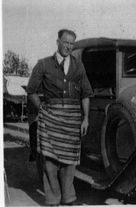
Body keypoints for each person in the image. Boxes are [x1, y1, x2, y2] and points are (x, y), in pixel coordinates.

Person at [26, 29, 93, 206]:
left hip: (72, 120)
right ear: (57, 42)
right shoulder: (43, 64)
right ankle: (53, 201)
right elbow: (31, 90)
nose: (68, 46)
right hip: (49, 118)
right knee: (49, 162)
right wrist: (41, 107)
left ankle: (68, 199)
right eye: (65, 42)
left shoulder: (79, 66)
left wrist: (85, 118)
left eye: (72, 43)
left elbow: (86, 94)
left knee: (70, 163)